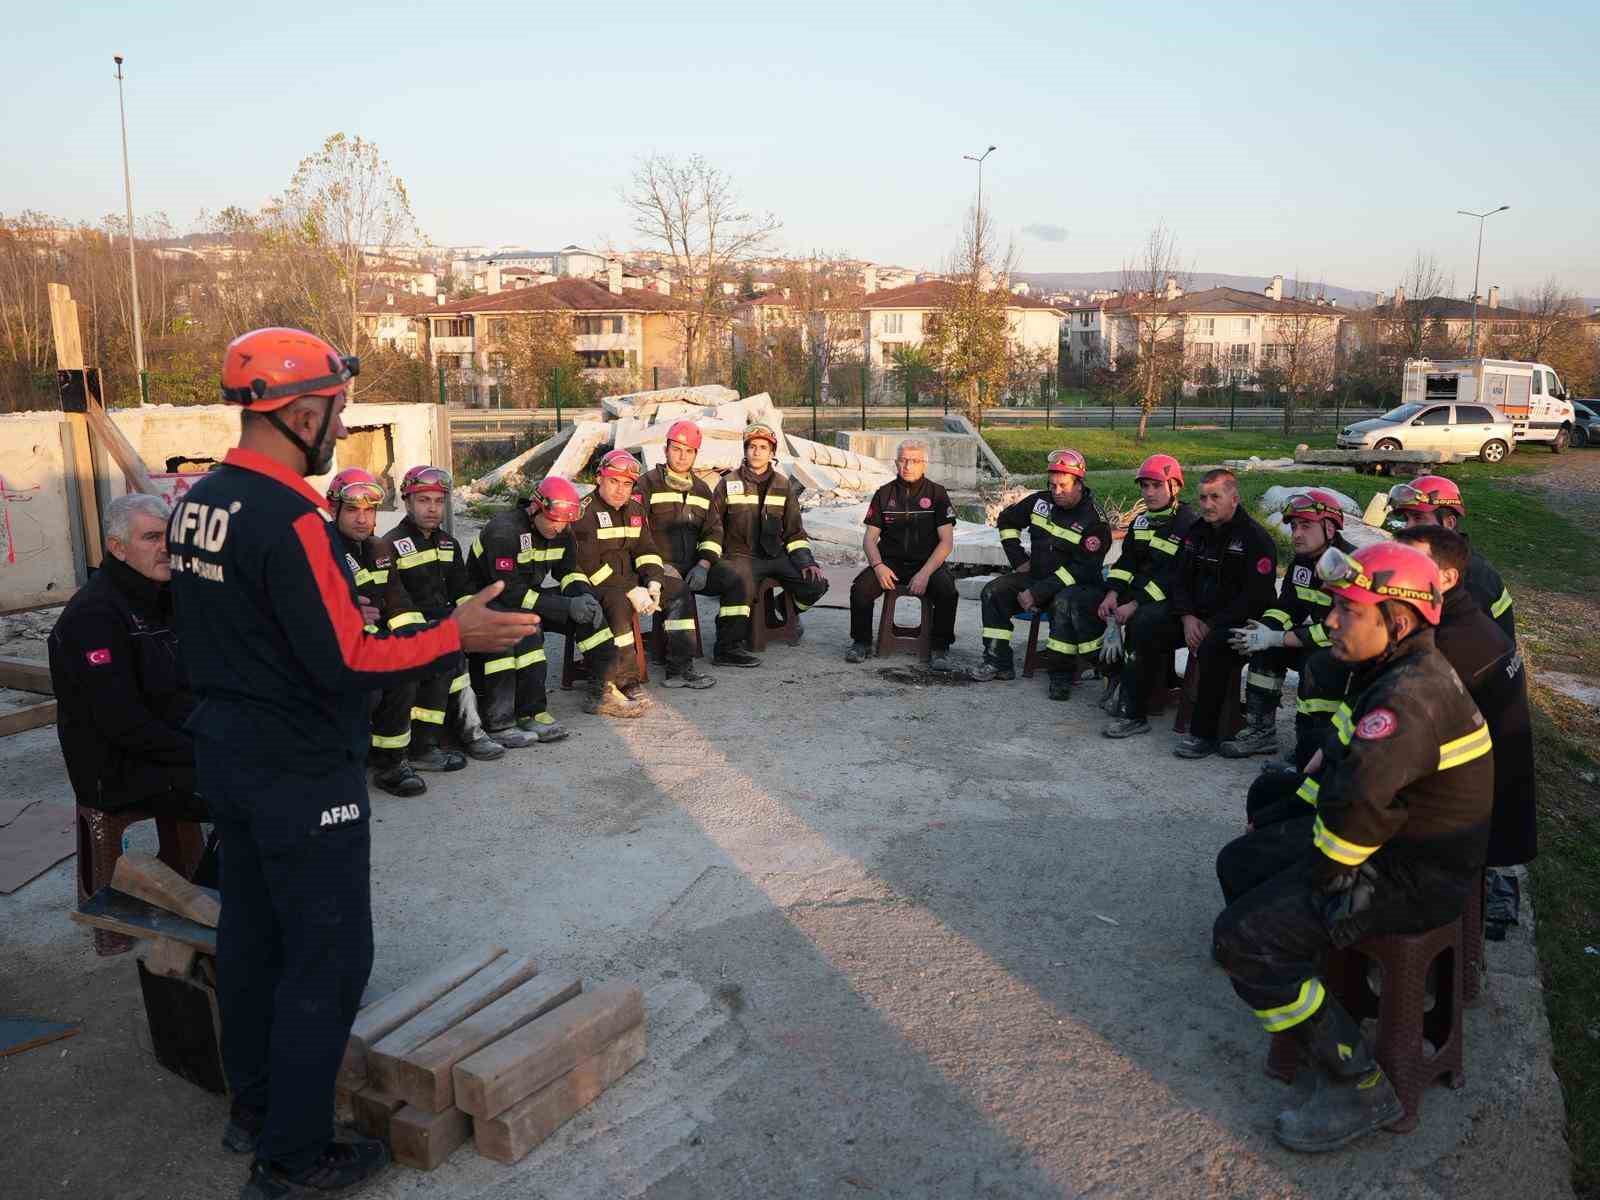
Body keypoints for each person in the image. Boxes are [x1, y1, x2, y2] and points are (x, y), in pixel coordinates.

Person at [166, 327, 537, 1199]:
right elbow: (348, 659)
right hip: (299, 768)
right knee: (326, 959)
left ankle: (252, 1110)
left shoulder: (198, 500)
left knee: (252, 937)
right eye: (336, 408)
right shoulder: (293, 518)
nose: (341, 423)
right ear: (300, 411)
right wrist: (457, 635)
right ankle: (292, 1159)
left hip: (227, 752)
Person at [1211, 541, 1493, 1153]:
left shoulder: (1405, 698)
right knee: (1241, 860)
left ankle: (1360, 1081)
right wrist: (1285, 820)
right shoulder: (1387, 669)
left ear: (1398, 619)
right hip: (1387, 846)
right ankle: (1303, 989)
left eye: (1348, 610)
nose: (1330, 621)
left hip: (1413, 873)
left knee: (1242, 937)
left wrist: (1291, 895)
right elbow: (1340, 769)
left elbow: (1354, 821)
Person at [1396, 524, 1536, 936]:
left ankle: (1491, 889)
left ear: (1447, 577)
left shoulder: (1451, 642)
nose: (1397, 576)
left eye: (1410, 564)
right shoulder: (1463, 616)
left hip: (1473, 808)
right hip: (1488, 786)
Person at [49, 493, 203, 822]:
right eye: (151, 538)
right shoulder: (94, 616)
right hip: (122, 773)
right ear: (117, 548)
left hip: (174, 748)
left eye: (169, 536)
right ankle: (216, 873)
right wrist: (207, 750)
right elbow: (122, 723)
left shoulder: (167, 596)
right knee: (258, 789)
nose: (166, 547)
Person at [1105, 469, 1277, 757]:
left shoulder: (1255, 538)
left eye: (1215, 497)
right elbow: (1179, 579)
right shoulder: (1197, 532)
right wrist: (1186, 617)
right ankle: (1132, 713)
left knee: (1212, 647)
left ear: (1234, 499)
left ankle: (1203, 734)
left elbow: (1255, 597)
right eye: (1202, 498)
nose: (1207, 504)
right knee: (1144, 622)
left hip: (1235, 621)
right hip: (1193, 617)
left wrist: (1210, 624)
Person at [466, 474, 643, 721]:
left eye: (564, 522)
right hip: (487, 602)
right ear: (536, 508)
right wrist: (565, 605)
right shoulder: (504, 532)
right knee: (531, 629)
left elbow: (568, 571)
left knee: (592, 619)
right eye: (553, 520)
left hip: (525, 596)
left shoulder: (562, 529)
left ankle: (602, 692)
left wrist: (584, 596)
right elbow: (509, 591)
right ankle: (529, 711)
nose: (559, 527)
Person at [1219, 489, 1354, 759]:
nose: (1296, 534)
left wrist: (1279, 638)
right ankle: (1261, 730)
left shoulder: (1349, 566)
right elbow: (1287, 607)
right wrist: (1264, 630)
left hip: (1344, 648)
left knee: (1317, 665)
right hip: (1312, 639)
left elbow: (1339, 630)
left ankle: (1311, 745)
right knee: (1264, 648)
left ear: (1330, 528)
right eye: (1293, 527)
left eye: (1305, 525)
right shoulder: (1302, 562)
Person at [972, 448, 1111, 697]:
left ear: (1079, 483)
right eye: (1052, 485)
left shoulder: (1094, 520)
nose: (1056, 491)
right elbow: (1006, 521)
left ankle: (1061, 676)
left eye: (1063, 486)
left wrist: (1037, 592)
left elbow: (1082, 569)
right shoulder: (1040, 502)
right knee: (994, 592)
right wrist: (1018, 560)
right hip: (1036, 575)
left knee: (1062, 604)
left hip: (1075, 588)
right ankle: (997, 661)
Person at [706, 423, 828, 665]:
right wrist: (715, 561)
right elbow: (713, 527)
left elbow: (794, 531)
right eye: (752, 446)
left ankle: (781, 608)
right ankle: (728, 648)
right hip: (740, 555)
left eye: (763, 447)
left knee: (816, 584)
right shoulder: (727, 483)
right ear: (745, 450)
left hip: (776, 556)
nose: (757, 452)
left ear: (772, 452)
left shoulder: (783, 485)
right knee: (741, 587)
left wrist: (806, 561)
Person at [570, 449, 683, 707]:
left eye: (627, 484)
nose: (621, 490)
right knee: (619, 604)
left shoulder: (635, 509)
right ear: (599, 478)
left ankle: (680, 664)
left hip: (626, 579)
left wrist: (654, 582)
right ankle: (626, 680)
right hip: (591, 583)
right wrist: (632, 589)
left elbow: (646, 550)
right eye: (613, 481)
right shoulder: (584, 513)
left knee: (677, 589)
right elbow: (590, 566)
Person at [1096, 453, 1196, 715]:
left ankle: (1134, 702)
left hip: (1171, 600)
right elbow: (1127, 562)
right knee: (1099, 607)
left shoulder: (1188, 523)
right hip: (1139, 593)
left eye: (1157, 485)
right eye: (1144, 486)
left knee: (1142, 621)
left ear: (1174, 487)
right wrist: (1112, 594)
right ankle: (1115, 676)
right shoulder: (1141, 521)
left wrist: (1135, 604)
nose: (1149, 493)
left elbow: (1173, 576)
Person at [846, 438, 958, 670]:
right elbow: (869, 539)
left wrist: (926, 573)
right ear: (896, 463)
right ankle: (861, 642)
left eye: (914, 461)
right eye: (903, 460)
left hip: (927, 563)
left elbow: (946, 542)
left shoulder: (937, 494)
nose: (908, 465)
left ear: (924, 464)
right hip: (890, 563)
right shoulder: (884, 494)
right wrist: (878, 566)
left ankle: (940, 648)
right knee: (860, 589)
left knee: (948, 591)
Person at [635, 420, 719, 689]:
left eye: (689, 451)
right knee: (679, 593)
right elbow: (638, 533)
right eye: (677, 449)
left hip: (693, 565)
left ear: (696, 454)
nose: (682, 456)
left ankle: (732, 647)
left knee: (738, 578)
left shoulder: (702, 489)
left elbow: (714, 532)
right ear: (665, 450)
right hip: (656, 566)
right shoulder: (647, 484)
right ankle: (679, 669)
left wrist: (705, 564)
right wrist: (657, 568)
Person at [1387, 475, 1514, 639]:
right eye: (1407, 519)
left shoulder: (1472, 577)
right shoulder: (1433, 560)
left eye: (1418, 518)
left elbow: (1456, 638)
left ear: (1449, 523)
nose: (1408, 527)